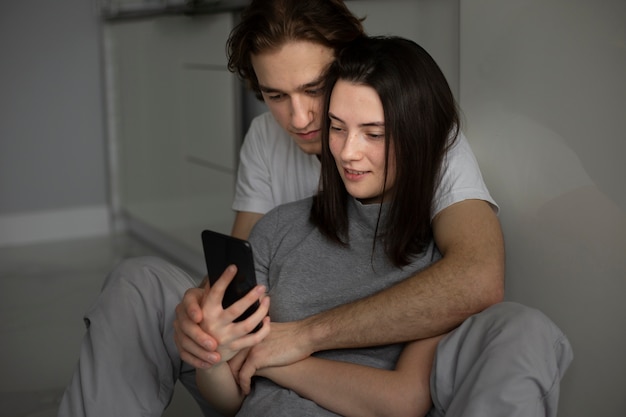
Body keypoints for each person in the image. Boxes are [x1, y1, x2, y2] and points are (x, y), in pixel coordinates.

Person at [58, 0, 502, 415]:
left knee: (520, 331)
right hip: (262, 359)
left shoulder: (423, 140)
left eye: (315, 88)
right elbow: (239, 272)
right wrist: (204, 322)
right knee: (137, 283)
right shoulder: (264, 143)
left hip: (348, 363)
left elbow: (478, 276)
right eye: (276, 96)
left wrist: (304, 338)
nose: (301, 118)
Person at [193, 35, 572, 417]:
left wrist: (280, 361)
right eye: (337, 128)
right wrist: (210, 354)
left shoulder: (435, 261)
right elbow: (230, 395)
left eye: (373, 134)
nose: (346, 151)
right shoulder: (278, 228)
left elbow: (401, 401)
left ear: (420, 138)